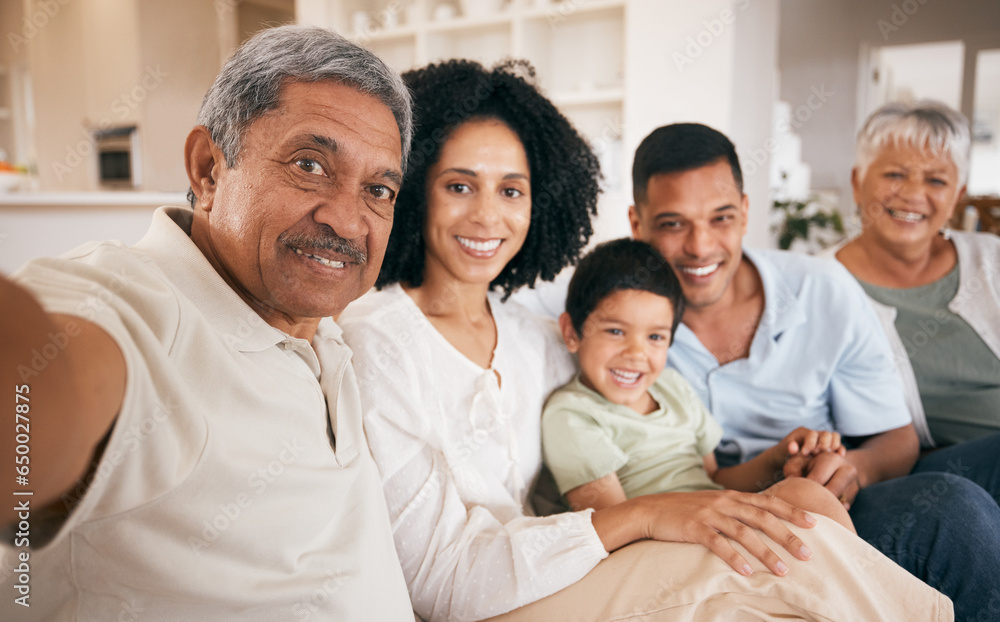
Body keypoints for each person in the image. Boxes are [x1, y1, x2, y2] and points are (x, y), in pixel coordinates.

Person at [339, 59, 950, 622]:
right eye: (459, 186)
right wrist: (653, 513)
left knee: (803, 507)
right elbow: (433, 580)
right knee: (777, 559)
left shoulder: (533, 334)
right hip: (500, 598)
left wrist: (767, 471)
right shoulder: (379, 344)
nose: (487, 217)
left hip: (571, 562)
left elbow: (617, 346)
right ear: (414, 186)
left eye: (511, 190)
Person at [0, 26, 415, 620]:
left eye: (378, 189)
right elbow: (46, 382)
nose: (350, 222)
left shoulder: (317, 325)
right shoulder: (141, 307)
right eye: (310, 165)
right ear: (208, 170)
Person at [628, 121, 998, 621]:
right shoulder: (611, 317)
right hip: (734, 517)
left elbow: (895, 438)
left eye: (721, 218)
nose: (700, 246)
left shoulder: (821, 288)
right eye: (673, 224)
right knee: (952, 512)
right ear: (637, 223)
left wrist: (852, 470)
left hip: (837, 498)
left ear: (745, 213)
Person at [541, 238, 854, 533]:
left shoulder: (672, 386)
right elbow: (614, 525)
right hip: (655, 544)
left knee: (806, 492)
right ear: (571, 332)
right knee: (800, 497)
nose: (636, 354)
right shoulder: (572, 414)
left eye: (655, 337)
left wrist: (780, 455)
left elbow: (715, 478)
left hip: (714, 520)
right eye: (615, 331)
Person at [832, 100, 1000, 506]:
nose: (912, 194)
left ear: (958, 194)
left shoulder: (991, 259)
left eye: (936, 181)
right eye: (894, 174)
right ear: (857, 183)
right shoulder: (823, 284)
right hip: (928, 476)